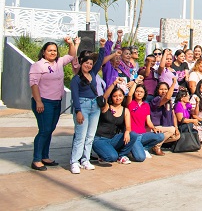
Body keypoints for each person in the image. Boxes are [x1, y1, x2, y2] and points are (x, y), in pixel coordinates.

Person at [29, 37, 78, 171]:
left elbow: (72, 55)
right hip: (43, 102)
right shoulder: (38, 65)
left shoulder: (58, 63)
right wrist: (38, 101)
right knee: (44, 130)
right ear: (44, 51)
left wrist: (70, 43)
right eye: (50, 50)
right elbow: (34, 84)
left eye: (55, 50)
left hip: (56, 101)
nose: (52, 53)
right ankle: (37, 159)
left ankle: (45, 156)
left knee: (50, 130)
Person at [69, 40, 106, 174]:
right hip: (82, 106)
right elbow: (75, 96)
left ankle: (85, 160)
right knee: (80, 136)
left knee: (90, 136)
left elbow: (100, 60)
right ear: (81, 63)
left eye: (91, 64)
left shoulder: (93, 74)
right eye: (86, 63)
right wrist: (78, 111)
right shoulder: (76, 80)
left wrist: (102, 47)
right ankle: (74, 161)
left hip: (94, 106)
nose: (89, 65)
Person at [92, 80, 144, 164]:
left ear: (123, 97)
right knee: (112, 157)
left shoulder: (125, 110)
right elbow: (103, 98)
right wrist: (113, 83)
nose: (117, 98)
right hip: (100, 139)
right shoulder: (106, 107)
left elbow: (128, 127)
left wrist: (127, 132)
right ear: (111, 97)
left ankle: (121, 155)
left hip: (113, 139)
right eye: (114, 96)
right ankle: (102, 154)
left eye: (120, 96)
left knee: (133, 135)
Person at [126, 83, 165, 158]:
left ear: (144, 94)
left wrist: (154, 128)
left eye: (141, 92)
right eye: (137, 91)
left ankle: (144, 148)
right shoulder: (131, 103)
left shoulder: (146, 105)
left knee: (160, 136)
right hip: (133, 135)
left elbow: (148, 120)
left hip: (143, 134)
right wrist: (136, 82)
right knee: (140, 158)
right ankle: (133, 149)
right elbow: (129, 95)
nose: (139, 93)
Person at [149, 79, 180, 154]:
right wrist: (173, 84)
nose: (164, 91)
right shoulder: (156, 100)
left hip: (165, 127)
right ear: (157, 90)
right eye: (161, 89)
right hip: (156, 127)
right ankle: (157, 146)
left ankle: (154, 144)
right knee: (171, 130)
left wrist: (176, 128)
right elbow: (167, 97)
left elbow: (173, 114)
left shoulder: (169, 102)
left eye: (166, 89)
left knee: (177, 136)